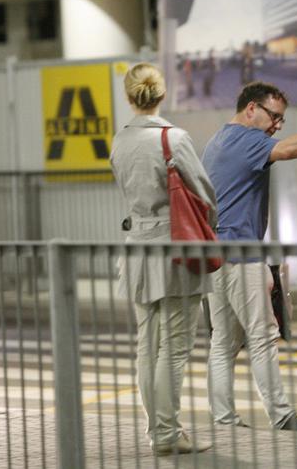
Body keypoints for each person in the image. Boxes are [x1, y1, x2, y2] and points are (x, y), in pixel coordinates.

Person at [201, 81, 297, 431]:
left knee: (223, 341)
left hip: (215, 254)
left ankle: (224, 418)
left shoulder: (218, 140)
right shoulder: (246, 140)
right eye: (274, 116)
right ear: (251, 109)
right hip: (241, 253)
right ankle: (282, 415)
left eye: (281, 120)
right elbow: (287, 150)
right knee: (263, 335)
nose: (277, 125)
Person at [110, 62, 216, 456]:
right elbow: (204, 196)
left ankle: (158, 431)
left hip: (137, 247)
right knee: (173, 347)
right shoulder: (174, 138)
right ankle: (169, 434)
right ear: (161, 94)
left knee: (147, 345)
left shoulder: (119, 141)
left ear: (129, 96)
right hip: (175, 251)